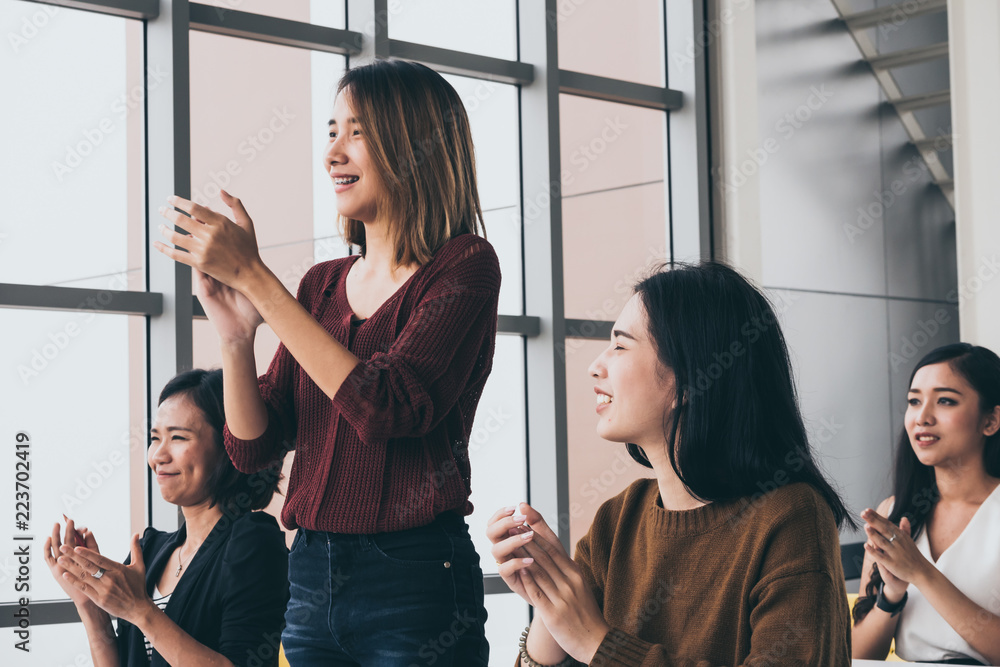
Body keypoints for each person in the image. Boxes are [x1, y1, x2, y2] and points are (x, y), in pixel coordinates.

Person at [154, 59, 498, 664]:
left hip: (415, 574)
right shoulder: (319, 286)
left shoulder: (464, 265)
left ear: (416, 145)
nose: (333, 152)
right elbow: (254, 449)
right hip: (311, 573)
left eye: (357, 131)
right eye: (331, 130)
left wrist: (259, 282)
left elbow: (388, 406)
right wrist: (237, 340)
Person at [488, 261, 855, 666]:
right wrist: (548, 598)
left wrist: (597, 643)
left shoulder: (791, 518)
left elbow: (592, 643)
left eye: (621, 345)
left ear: (689, 380)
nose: (596, 365)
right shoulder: (618, 519)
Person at [43, 368, 288, 667]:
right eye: (155, 437)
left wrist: (140, 610)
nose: (158, 455)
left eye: (178, 437)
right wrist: (90, 602)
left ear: (229, 448)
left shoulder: (253, 541)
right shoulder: (150, 550)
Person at [852, 343, 1000, 664]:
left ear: (991, 420)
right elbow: (861, 657)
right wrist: (891, 596)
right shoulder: (895, 510)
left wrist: (921, 572)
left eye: (945, 401)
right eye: (914, 401)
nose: (922, 417)